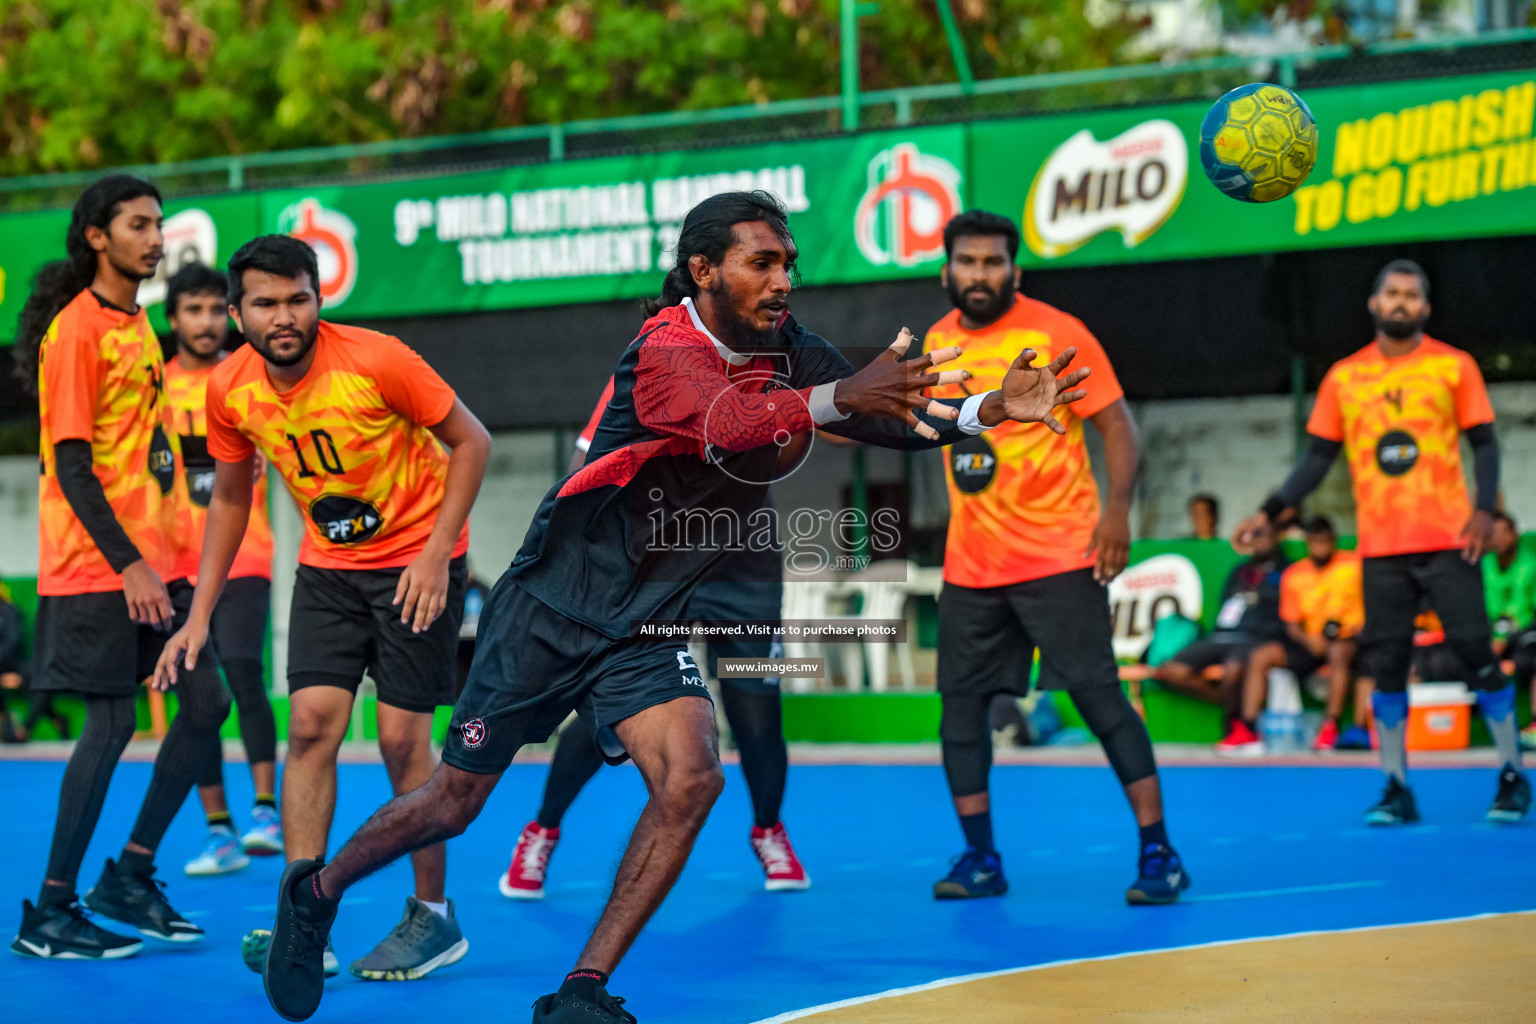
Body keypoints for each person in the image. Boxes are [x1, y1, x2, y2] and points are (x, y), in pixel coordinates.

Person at [186, 190, 1089, 1024]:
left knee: (693, 775)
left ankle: (581, 991)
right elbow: (732, 425)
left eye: (787, 262)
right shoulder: (664, 349)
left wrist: (990, 409)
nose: (784, 279)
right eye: (762, 263)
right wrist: (837, 396)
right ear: (705, 271)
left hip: (645, 622)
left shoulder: (793, 348)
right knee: (454, 802)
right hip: (551, 604)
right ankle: (316, 893)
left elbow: (888, 416)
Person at [153, 235, 492, 982]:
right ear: (239, 313)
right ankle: (304, 919)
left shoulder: (379, 359)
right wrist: (200, 614)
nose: (283, 316)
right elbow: (233, 498)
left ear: (319, 298)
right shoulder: (230, 388)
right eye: (266, 303)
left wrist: (439, 556)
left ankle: (432, 918)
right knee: (309, 727)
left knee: (404, 743)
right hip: (328, 570)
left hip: (415, 563)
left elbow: (471, 441)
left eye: (297, 299)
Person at [921, 209, 1185, 906]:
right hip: (971, 565)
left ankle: (1160, 851)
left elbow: (1117, 427)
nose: (980, 274)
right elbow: (924, 427)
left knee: (1100, 701)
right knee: (960, 713)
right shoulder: (938, 341)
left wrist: (1117, 515)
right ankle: (981, 859)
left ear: (1016, 270)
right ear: (947, 269)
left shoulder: (1056, 333)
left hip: (1058, 555)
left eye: (993, 262)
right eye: (968, 262)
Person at [10, 175, 233, 961]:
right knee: (111, 726)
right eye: (138, 224)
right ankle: (49, 910)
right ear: (96, 237)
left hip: (152, 563)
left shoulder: (136, 323)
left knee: (206, 703)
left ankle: (129, 876)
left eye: (159, 224)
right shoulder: (75, 331)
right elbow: (71, 466)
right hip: (98, 568)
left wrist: (162, 554)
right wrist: (131, 562)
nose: (155, 236)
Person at [1233, 259, 1529, 824]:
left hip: (1449, 541)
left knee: (1475, 653)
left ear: (1425, 308)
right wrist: (1268, 514)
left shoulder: (1453, 366)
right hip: (1382, 548)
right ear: (1373, 303)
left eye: (1411, 296)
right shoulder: (1344, 378)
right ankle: (1396, 787)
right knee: (1387, 665)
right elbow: (1317, 459)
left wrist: (1486, 510)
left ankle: (1513, 775)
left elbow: (1486, 445)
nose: (1400, 303)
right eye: (1391, 294)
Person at [500, 380, 807, 900]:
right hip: (658, 566)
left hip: (743, 569)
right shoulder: (647, 368)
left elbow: (828, 420)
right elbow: (586, 464)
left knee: (755, 715)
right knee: (611, 715)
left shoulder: (765, 370)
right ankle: (542, 829)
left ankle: (768, 829)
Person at [160, 262, 284, 877]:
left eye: (216, 309)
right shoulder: (153, 388)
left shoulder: (251, 376)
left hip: (245, 555)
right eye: (193, 310)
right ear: (173, 317)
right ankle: (219, 831)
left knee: (241, 672)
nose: (206, 322)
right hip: (171, 564)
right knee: (196, 695)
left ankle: (267, 812)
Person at [1153, 522, 1290, 753]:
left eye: (1263, 534)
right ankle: (1231, 703)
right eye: (1254, 535)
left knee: (1234, 670)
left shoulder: (1285, 571)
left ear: (1276, 537)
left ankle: (1240, 727)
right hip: (1220, 637)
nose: (1258, 540)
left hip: (1255, 638)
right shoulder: (1239, 571)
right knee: (1167, 670)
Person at [1240, 516, 1368, 752]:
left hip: (1348, 643)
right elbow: (1291, 624)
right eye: (1315, 541)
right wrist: (1308, 639)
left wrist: (1348, 632)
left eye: (1325, 541)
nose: (1320, 546)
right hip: (1309, 644)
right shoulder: (1295, 574)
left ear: (1333, 541)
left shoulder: (1354, 565)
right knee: (1261, 656)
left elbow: (1370, 608)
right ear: (1308, 543)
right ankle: (1248, 728)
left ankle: (1331, 726)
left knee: (1339, 651)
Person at [1481, 512, 1536, 749]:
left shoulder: (1529, 565)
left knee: (1530, 657)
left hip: (1526, 631)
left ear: (1514, 536)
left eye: (1504, 533)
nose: (1499, 539)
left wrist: (1502, 636)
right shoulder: (1484, 564)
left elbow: (1522, 611)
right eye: (1493, 534)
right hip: (1490, 632)